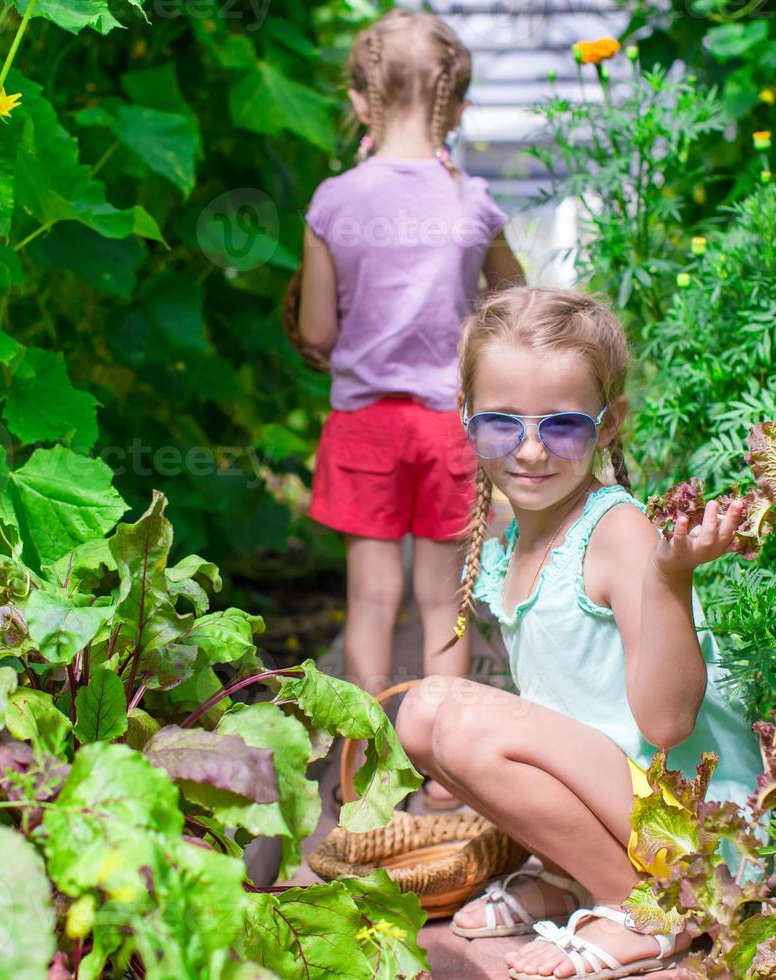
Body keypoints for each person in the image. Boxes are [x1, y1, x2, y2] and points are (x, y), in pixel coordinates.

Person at [394, 287, 765, 978]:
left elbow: (667, 723)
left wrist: (671, 578)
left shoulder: (618, 531)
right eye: (502, 424)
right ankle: (577, 875)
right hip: (631, 806)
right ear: (467, 420)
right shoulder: (515, 540)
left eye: (562, 426)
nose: (530, 450)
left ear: (610, 424)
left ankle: (656, 909)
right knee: (423, 712)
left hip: (695, 827)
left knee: (464, 726)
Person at [298, 9, 523, 807]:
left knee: (371, 600)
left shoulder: (333, 201)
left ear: (360, 102)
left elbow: (320, 329)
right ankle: (445, 782)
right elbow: (517, 301)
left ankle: (358, 775)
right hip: (445, 428)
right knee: (442, 605)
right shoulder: (474, 202)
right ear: (454, 110)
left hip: (364, 426)